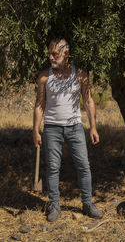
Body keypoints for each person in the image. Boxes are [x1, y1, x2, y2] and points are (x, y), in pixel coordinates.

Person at [33, 38, 103, 222]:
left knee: (84, 166)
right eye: (49, 53)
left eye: (54, 53)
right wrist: (36, 130)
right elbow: (40, 105)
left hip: (75, 127)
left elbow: (88, 101)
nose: (50, 57)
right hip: (52, 128)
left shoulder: (80, 74)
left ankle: (87, 203)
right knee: (53, 168)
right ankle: (54, 204)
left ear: (65, 53)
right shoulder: (44, 77)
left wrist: (93, 127)